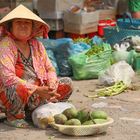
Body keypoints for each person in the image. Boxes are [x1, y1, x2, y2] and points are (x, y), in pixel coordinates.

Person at [0, 5, 73, 128]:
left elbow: (49, 68)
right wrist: (37, 90)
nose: (23, 25)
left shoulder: (36, 44)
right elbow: (8, 78)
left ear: (32, 27)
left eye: (27, 23)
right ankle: (14, 116)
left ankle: (36, 111)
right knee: (13, 87)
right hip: (13, 93)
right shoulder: (6, 44)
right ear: (10, 27)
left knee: (67, 83)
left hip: (38, 93)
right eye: (19, 22)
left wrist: (51, 85)